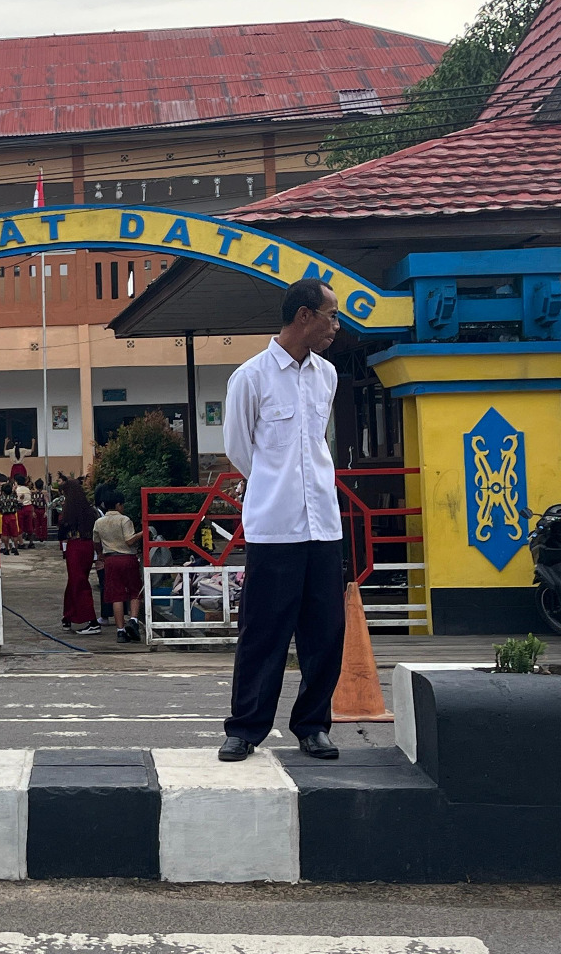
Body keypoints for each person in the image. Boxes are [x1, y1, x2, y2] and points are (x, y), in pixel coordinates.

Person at [218, 277, 346, 763]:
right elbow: (239, 449)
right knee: (264, 631)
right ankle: (246, 728)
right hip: (275, 526)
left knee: (325, 632)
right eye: (331, 315)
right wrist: (276, 485)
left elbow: (317, 444)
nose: (337, 324)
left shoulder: (327, 375)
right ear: (304, 316)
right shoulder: (250, 377)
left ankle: (313, 725)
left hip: (324, 527)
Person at [92, 488, 144, 643]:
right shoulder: (124, 520)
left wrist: (100, 554)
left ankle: (120, 631)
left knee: (117, 595)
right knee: (135, 591)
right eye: (122, 505)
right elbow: (129, 540)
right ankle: (133, 620)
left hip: (111, 560)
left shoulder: (99, 522)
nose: (123, 507)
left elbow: (95, 541)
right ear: (118, 504)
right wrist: (142, 533)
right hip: (127, 558)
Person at [56, 476, 101, 634]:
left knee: (79, 582)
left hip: (75, 546)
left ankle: (92, 621)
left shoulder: (69, 509)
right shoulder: (89, 510)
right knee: (75, 581)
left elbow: (62, 531)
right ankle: (68, 616)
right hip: (87, 546)